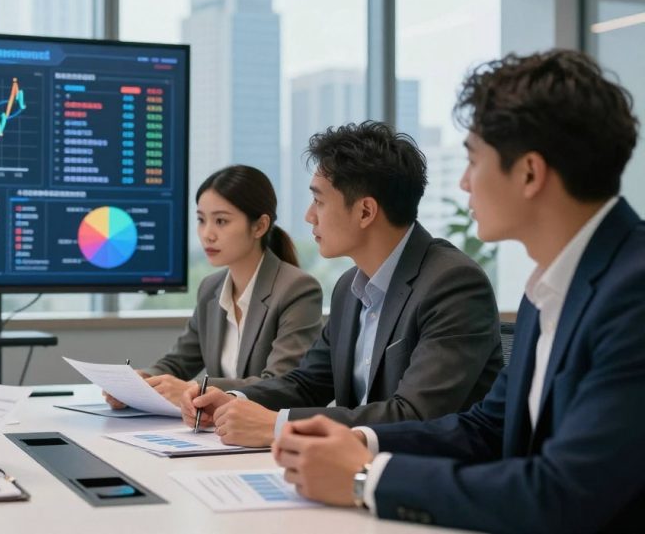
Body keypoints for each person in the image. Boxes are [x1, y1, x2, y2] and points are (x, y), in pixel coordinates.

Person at [273, 50, 645, 533]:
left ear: (530, 173)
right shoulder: (548, 288)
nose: (465, 182)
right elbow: (486, 428)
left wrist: (367, 479)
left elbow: (564, 494)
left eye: (473, 160)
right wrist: (360, 443)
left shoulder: (633, 294)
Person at [181, 122, 502, 447]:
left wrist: (278, 425)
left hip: (422, 476)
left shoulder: (452, 284)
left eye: (318, 201)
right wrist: (232, 399)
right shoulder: (350, 287)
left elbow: (417, 415)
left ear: (365, 211)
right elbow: (307, 384)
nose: (309, 216)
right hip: (348, 467)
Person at [106, 165, 323, 408]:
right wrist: (142, 382)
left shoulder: (297, 289)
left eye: (221, 221)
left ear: (260, 226)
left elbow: (281, 383)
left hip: (264, 433)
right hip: (215, 431)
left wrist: (196, 389)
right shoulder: (211, 288)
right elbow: (178, 363)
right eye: (201, 220)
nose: (207, 234)